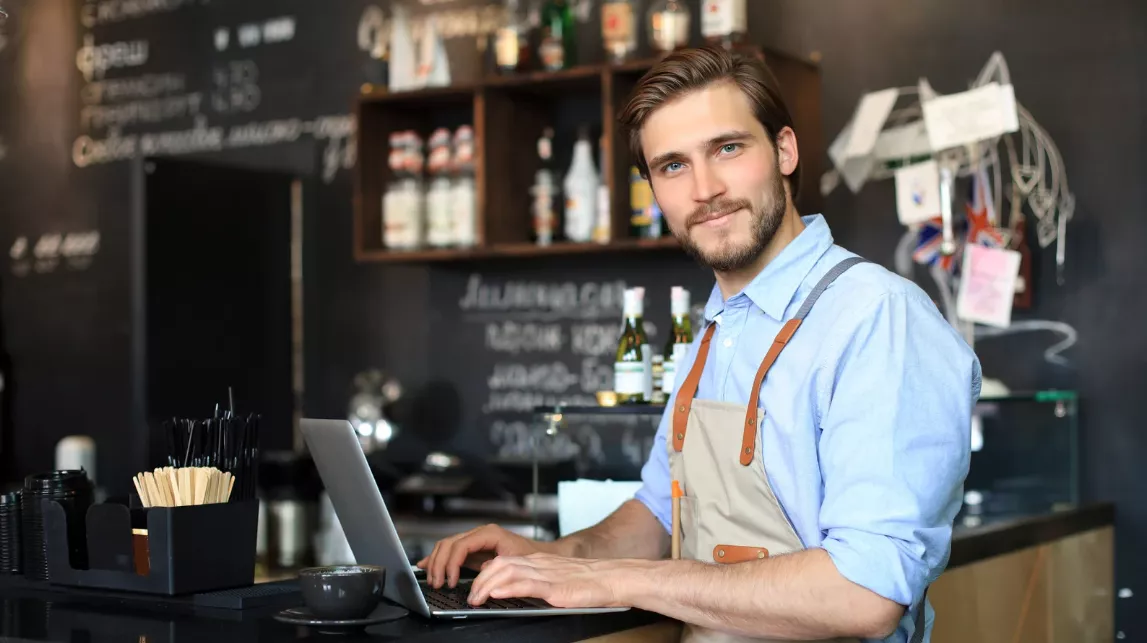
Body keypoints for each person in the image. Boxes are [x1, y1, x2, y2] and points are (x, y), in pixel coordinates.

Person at [418, 45, 981, 643]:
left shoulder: (876, 317)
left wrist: (616, 581)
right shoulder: (717, 330)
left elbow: (864, 593)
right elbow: (659, 515)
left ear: (784, 151)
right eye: (672, 166)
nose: (705, 188)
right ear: (654, 191)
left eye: (728, 149)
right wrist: (546, 557)